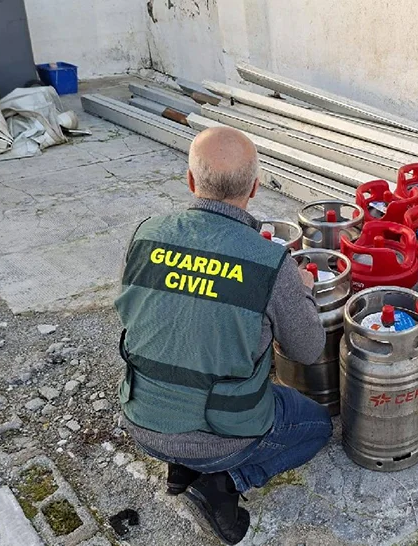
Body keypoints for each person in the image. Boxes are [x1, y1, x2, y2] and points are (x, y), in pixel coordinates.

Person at [114, 126, 332, 545]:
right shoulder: (272, 263)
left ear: (191, 181)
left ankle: (184, 465)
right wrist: (299, 292)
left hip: (141, 421)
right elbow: (308, 351)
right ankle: (224, 481)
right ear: (254, 188)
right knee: (316, 425)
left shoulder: (145, 235)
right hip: (223, 437)